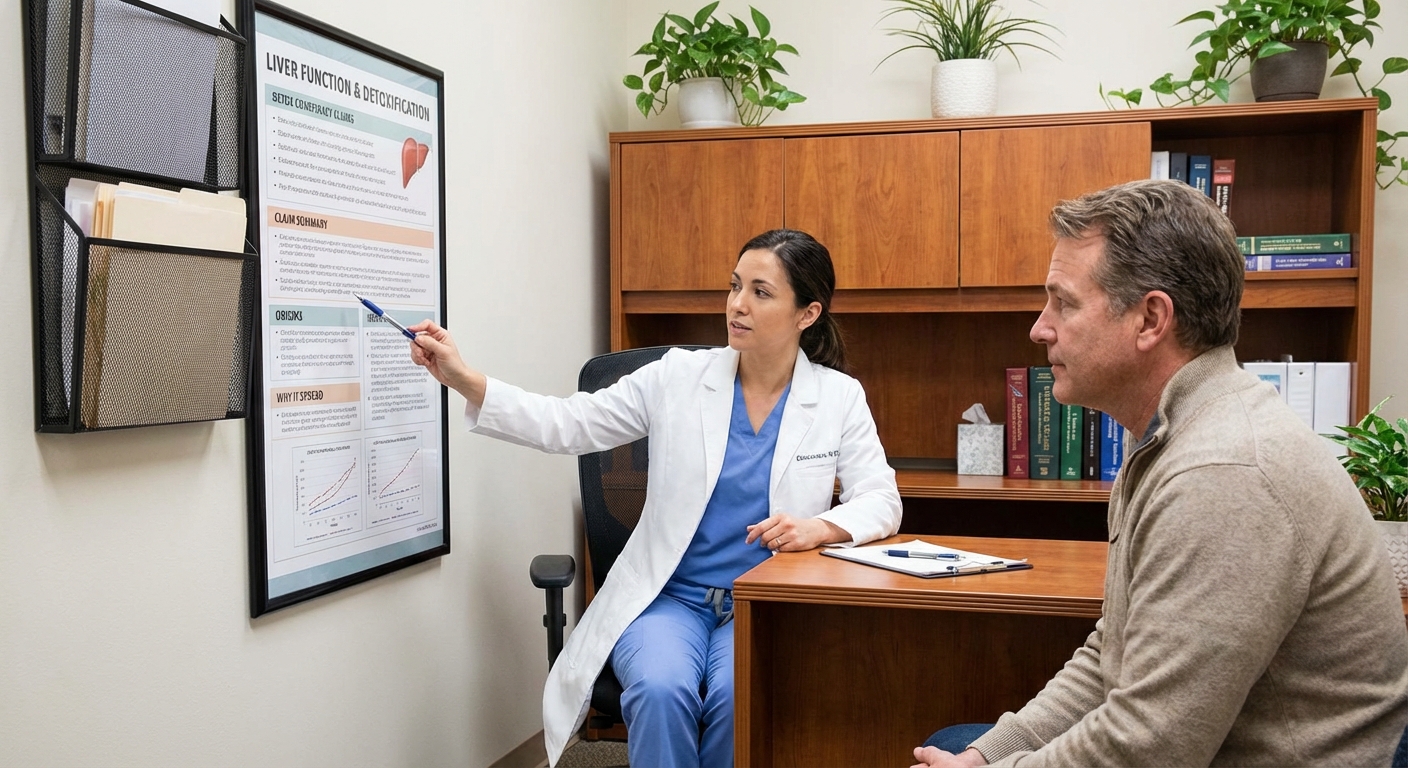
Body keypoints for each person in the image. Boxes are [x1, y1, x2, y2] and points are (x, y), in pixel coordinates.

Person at [914, 179, 1408, 767]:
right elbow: (1112, 655)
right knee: (959, 746)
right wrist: (989, 755)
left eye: (1064, 303)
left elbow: (1150, 747)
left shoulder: (1224, 473)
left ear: (1151, 319)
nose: (1040, 328)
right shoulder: (1170, 433)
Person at [408, 229, 902, 768]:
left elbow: (881, 498)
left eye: (760, 292)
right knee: (661, 690)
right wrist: (463, 377)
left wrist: (819, 528)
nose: (737, 304)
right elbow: (567, 423)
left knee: (738, 696)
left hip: (761, 603)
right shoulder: (677, 376)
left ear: (808, 313)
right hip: (669, 599)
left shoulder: (837, 397)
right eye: (735, 285)